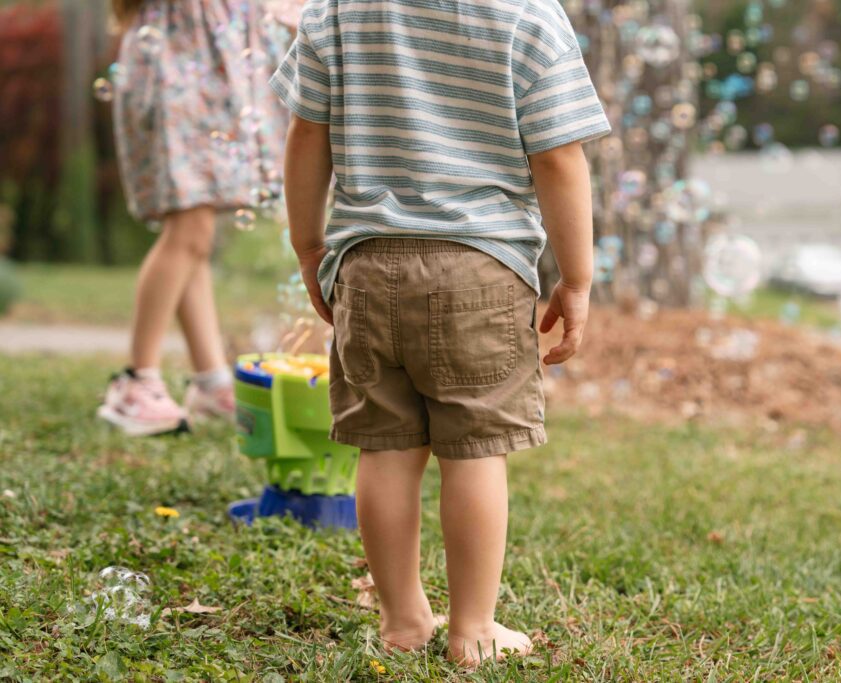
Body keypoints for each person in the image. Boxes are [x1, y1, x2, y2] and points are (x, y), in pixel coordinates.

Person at [273, 0, 609, 666]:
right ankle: (473, 628)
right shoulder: (528, 16)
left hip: (366, 265)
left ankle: (402, 618)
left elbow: (306, 134)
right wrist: (577, 278)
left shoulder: (339, 11)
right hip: (482, 272)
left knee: (386, 447)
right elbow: (560, 159)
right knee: (476, 449)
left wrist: (310, 246)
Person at [98, 0, 291, 436]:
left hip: (204, 65)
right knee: (189, 228)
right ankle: (137, 380)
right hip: (178, 66)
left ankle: (211, 381)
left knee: (195, 235)